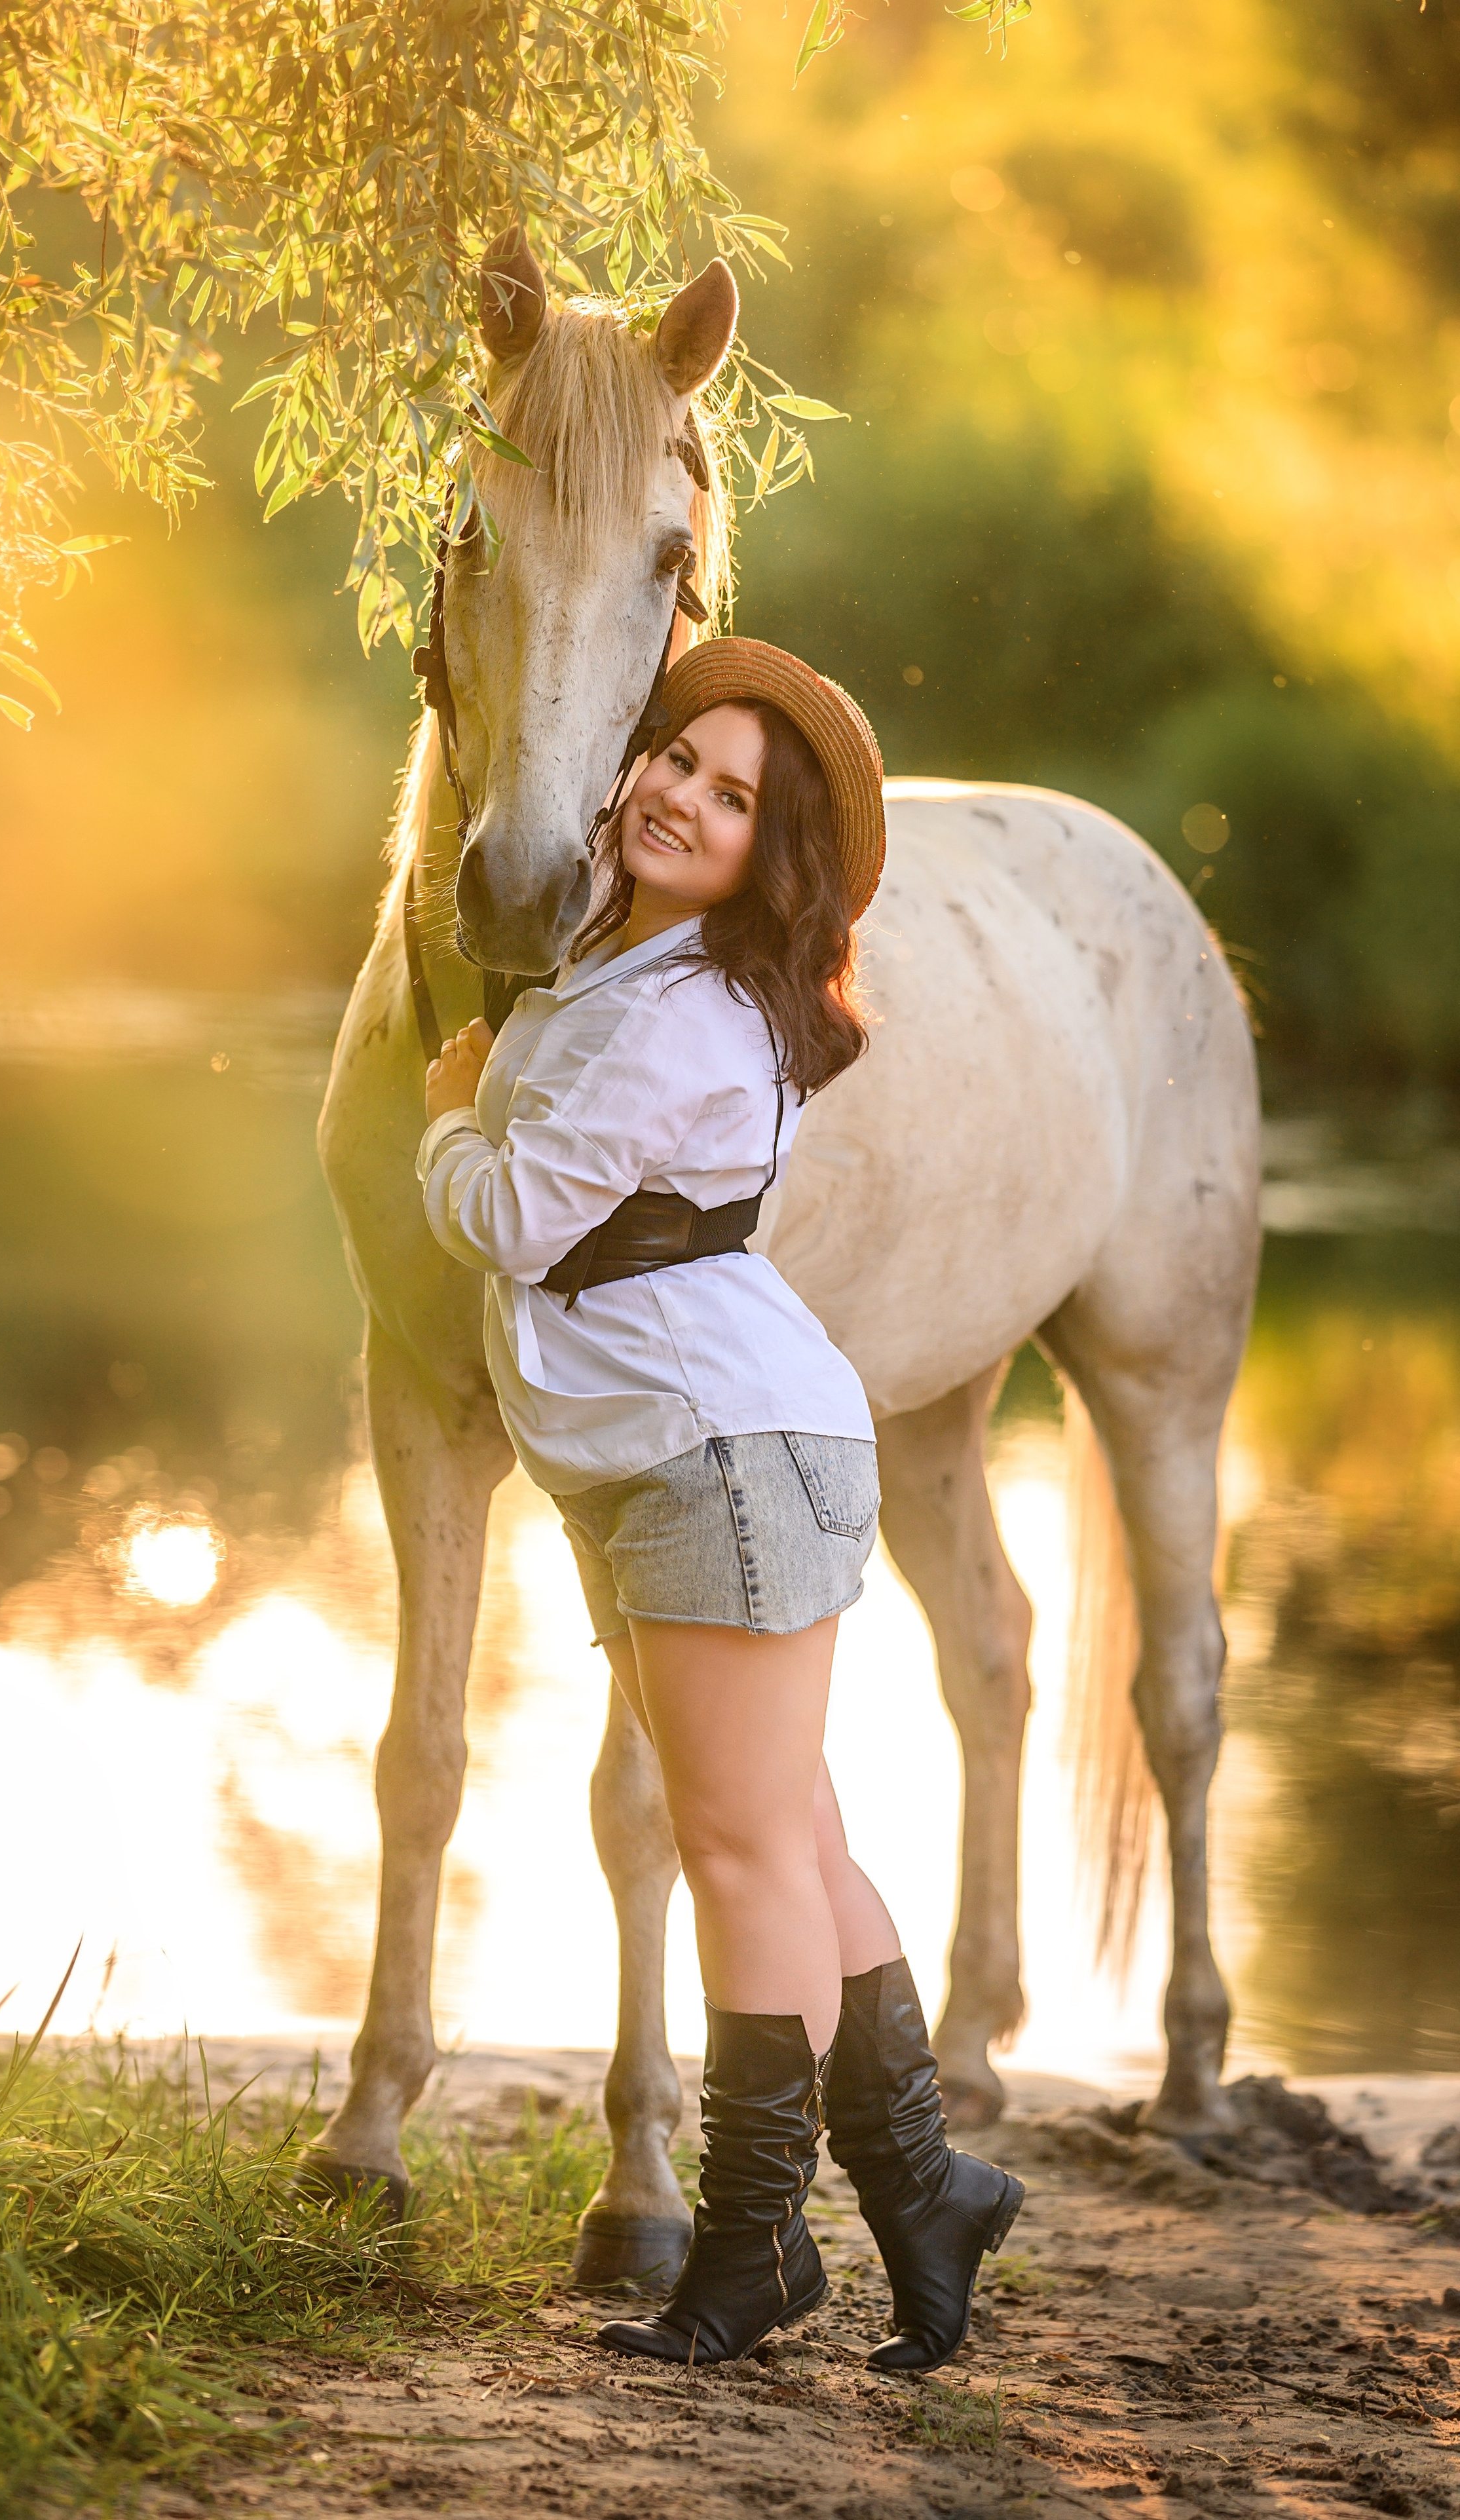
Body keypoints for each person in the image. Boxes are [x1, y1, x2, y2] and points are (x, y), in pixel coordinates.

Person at [417, 636, 1023, 2371]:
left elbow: (520, 1215)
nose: (682, 794)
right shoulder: (625, 967)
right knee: (800, 1839)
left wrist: (441, 1132)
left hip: (722, 1458)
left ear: (774, 858)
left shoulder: (680, 1007)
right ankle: (922, 2190)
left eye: (733, 795)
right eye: (677, 757)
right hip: (709, 1454)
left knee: (744, 1850)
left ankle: (756, 2247)